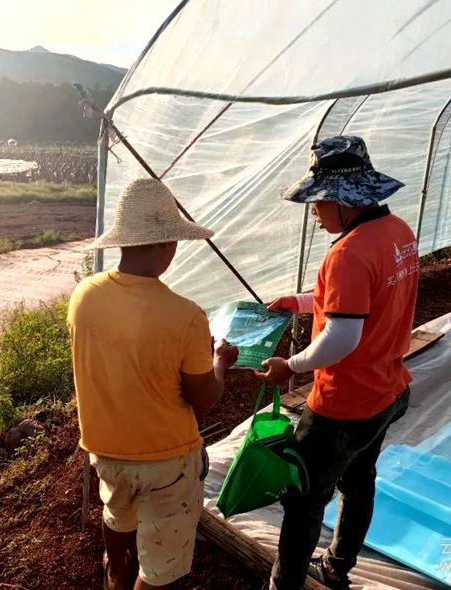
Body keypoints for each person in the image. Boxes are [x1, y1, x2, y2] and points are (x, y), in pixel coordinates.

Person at [256, 136, 418, 590]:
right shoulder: (397, 232)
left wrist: (291, 366)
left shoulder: (348, 253)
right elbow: (363, 301)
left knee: (304, 501)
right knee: (360, 479)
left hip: (343, 405)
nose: (314, 211)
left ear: (345, 201)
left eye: (320, 200)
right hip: (387, 389)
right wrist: (300, 301)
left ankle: (285, 585)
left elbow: (343, 336)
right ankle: (336, 567)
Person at [67, 177, 239, 590]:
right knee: (162, 563)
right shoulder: (185, 315)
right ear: (166, 243)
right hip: (166, 460)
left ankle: (116, 572)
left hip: (105, 449)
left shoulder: (84, 295)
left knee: (117, 513)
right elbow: (202, 400)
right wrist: (220, 362)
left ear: (123, 241)